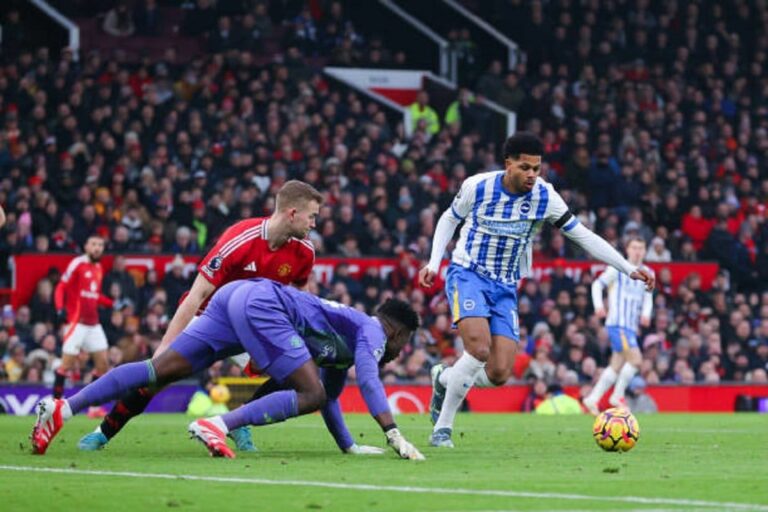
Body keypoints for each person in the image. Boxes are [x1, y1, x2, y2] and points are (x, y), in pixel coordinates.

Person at [418, 132, 654, 448]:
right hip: (467, 273)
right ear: (508, 164)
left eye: (537, 168)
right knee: (478, 348)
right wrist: (434, 263)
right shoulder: (478, 186)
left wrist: (627, 267)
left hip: (504, 285)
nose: (532, 175)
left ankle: (444, 379)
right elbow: (449, 218)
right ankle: (442, 429)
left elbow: (583, 236)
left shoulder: (545, 197)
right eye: (525, 167)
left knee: (500, 372)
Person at [31, 279, 425, 461]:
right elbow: (370, 381)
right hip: (266, 304)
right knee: (308, 391)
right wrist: (393, 433)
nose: (399, 352)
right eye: (403, 343)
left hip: (234, 298)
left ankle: (63, 408)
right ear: (397, 332)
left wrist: (349, 445)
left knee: (157, 370)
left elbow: (332, 397)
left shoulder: (349, 341)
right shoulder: (373, 330)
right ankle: (219, 425)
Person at [78, 181, 321, 453]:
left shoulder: (304, 251)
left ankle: (236, 419)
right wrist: (165, 348)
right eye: (312, 216)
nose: (314, 223)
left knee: (291, 374)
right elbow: (196, 295)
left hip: (252, 326)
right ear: (291, 213)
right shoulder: (241, 238)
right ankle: (103, 432)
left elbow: (302, 296)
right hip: (211, 319)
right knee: (157, 377)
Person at [584, 237, 654, 413]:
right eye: (634, 247)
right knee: (636, 360)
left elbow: (648, 296)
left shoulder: (647, 272)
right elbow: (597, 285)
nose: (637, 251)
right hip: (618, 324)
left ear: (645, 251)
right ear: (628, 249)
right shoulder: (617, 268)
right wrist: (599, 306)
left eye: (641, 248)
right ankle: (617, 395)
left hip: (631, 326)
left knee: (616, 365)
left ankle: (592, 398)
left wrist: (646, 314)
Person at [53, 236, 114, 412]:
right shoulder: (77, 264)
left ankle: (93, 408)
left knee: (102, 365)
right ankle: (54, 406)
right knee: (66, 366)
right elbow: (61, 287)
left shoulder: (99, 268)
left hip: (93, 324)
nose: (97, 248)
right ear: (86, 246)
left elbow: (94, 296)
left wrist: (112, 303)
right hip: (76, 323)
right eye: (94, 244)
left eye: (100, 245)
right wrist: (59, 308)